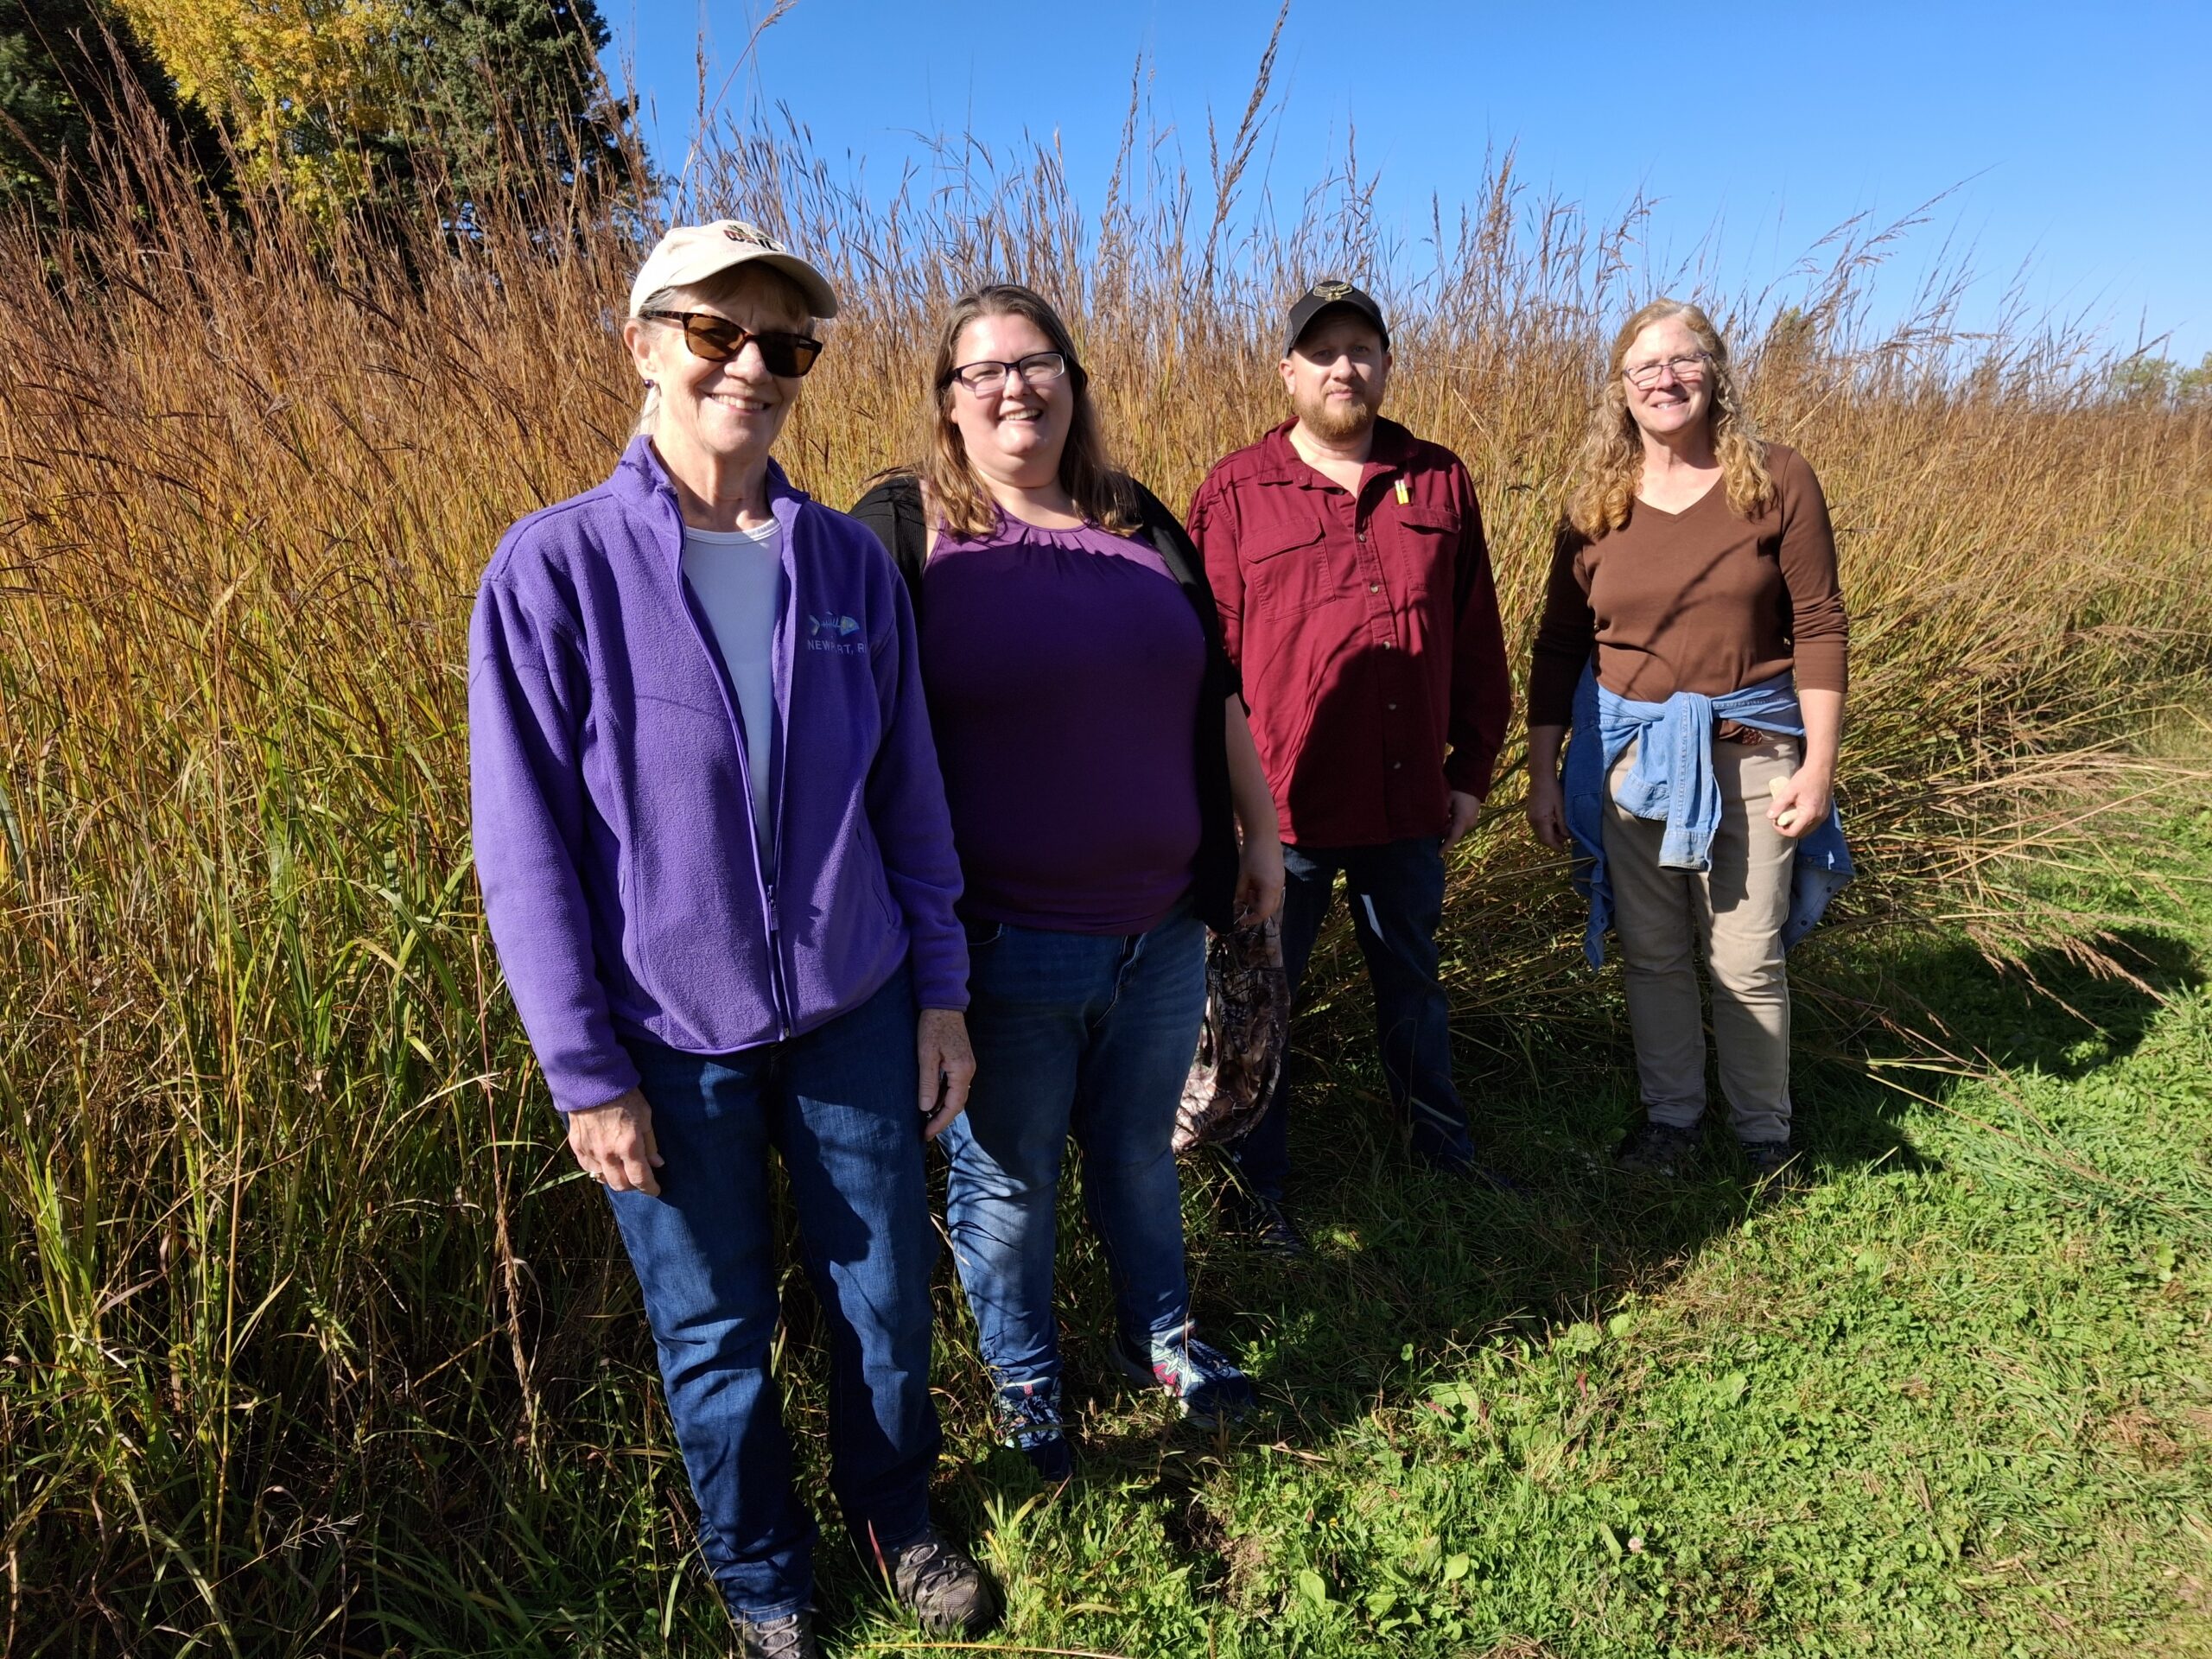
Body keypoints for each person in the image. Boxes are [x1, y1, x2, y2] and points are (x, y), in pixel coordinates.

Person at [469, 220, 995, 1658]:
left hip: (853, 1003)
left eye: (784, 344)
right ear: (644, 346)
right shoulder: (551, 573)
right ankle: (766, 1578)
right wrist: (585, 1070)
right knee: (714, 1344)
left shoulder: (842, 565)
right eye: (715, 333)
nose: (750, 365)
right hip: (663, 1036)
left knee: (883, 1300)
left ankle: (897, 1514)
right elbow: (524, 856)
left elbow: (912, 792)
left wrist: (938, 995)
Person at [851, 283, 1284, 1480]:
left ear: (1073, 383)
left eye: (1035, 363)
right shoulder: (907, 527)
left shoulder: (1136, 517)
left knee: (1142, 1148)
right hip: (1000, 941)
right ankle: (1028, 1382)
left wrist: (1257, 836)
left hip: (1162, 924)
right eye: (981, 371)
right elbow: (848, 723)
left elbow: (1221, 691)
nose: (1012, 388)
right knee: (1009, 1176)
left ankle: (1166, 1339)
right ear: (947, 401)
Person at [1185, 280, 1513, 1254]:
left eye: (1360, 348)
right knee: (1259, 1006)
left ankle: (1441, 1152)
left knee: (1413, 984)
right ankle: (1257, 1196)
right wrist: (1227, 812)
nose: (1342, 367)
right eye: (1320, 351)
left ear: (1383, 363)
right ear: (1287, 370)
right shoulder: (1236, 492)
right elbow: (1206, 668)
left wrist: (1471, 770)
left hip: (1409, 799)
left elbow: (1476, 636)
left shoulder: (1439, 479)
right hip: (1278, 815)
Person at [1525, 297, 1853, 1182]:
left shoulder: (1776, 478)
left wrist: (1817, 767)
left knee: (1745, 955)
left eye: (1682, 362)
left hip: (1754, 755)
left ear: (1714, 372)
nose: (1664, 380)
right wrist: (1543, 771)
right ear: (1620, 391)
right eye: (1644, 368)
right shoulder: (1592, 502)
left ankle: (1761, 1137)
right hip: (1629, 765)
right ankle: (1670, 1122)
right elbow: (1559, 644)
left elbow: (1818, 624)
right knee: (1656, 955)